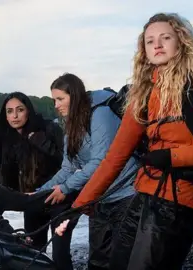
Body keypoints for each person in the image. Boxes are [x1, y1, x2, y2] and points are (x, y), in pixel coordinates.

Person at [57, 13, 193, 270]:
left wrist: (172, 157)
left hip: (179, 199)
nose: (157, 45)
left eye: (166, 38)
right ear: (144, 49)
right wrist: (80, 203)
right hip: (144, 194)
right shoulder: (144, 92)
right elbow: (115, 157)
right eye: (150, 41)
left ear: (181, 42)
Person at [38, 73, 139, 270]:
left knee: (122, 258)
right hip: (100, 197)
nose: (56, 105)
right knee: (97, 258)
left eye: (60, 99)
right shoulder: (71, 124)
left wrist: (66, 189)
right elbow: (68, 167)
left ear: (74, 96)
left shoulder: (101, 113)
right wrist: (40, 191)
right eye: (54, 100)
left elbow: (100, 161)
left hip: (127, 192)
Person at [0, 92, 64, 248]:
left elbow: (66, 160)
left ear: (28, 111)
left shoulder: (49, 128)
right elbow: (7, 175)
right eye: (10, 111)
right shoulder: (7, 139)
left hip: (58, 197)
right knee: (34, 249)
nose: (15, 116)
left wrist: (39, 141)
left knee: (60, 251)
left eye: (20, 110)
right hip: (32, 200)